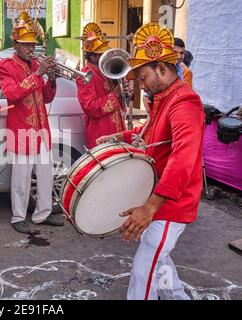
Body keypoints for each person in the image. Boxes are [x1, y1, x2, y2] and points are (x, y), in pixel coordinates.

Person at [96, 23, 205, 300]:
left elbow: (183, 159)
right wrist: (117, 136)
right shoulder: (164, 98)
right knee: (159, 260)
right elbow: (149, 134)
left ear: (162, 68)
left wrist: (149, 207)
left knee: (144, 270)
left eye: (143, 77)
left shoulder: (184, 102)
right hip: (159, 199)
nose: (140, 85)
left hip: (171, 203)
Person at [0, 12, 64, 234]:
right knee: (21, 179)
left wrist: (51, 80)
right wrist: (38, 74)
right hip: (21, 131)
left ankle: (42, 213)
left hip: (41, 129)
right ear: (15, 44)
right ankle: (18, 216)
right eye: (25, 45)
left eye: (31, 44)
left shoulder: (35, 63)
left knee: (45, 174)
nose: (30, 48)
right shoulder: (6, 66)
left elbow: (46, 97)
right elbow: (11, 93)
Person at [76, 22, 132, 149]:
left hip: (117, 130)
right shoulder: (85, 75)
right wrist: (116, 93)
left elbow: (121, 103)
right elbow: (90, 108)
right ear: (91, 55)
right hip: (100, 132)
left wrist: (126, 92)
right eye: (99, 54)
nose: (103, 56)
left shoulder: (106, 71)